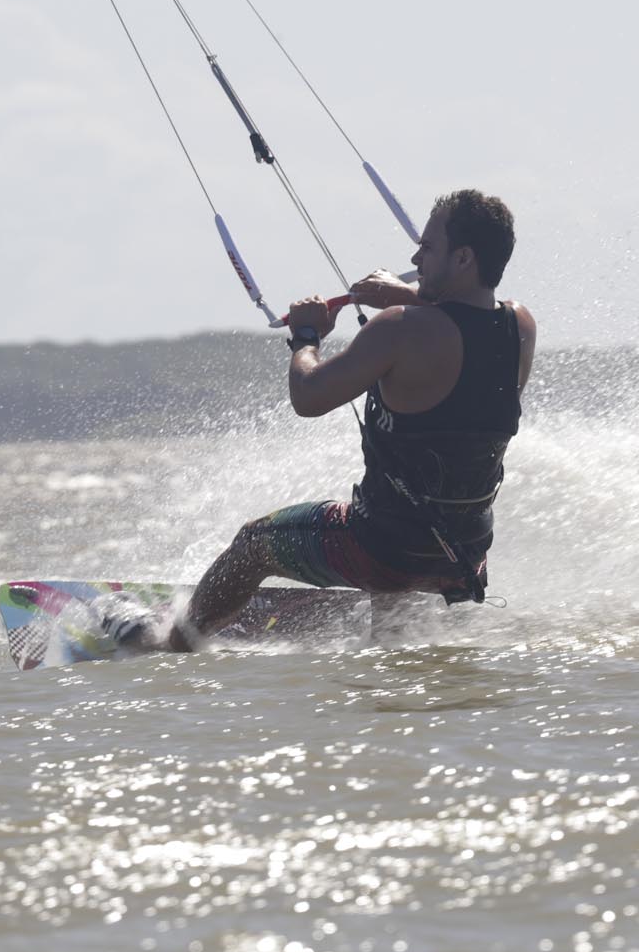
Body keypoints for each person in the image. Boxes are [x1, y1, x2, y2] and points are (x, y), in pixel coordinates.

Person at [100, 188, 536, 652]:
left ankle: (169, 644)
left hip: (383, 548)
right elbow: (463, 327)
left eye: (427, 248)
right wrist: (409, 293)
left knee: (254, 543)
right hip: (463, 553)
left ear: (463, 258)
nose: (415, 258)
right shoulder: (520, 326)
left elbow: (307, 397)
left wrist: (306, 336)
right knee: (405, 546)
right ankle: (390, 644)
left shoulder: (400, 328)